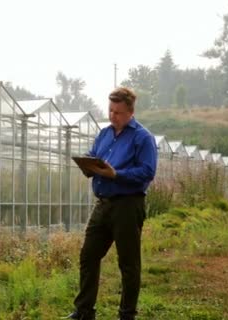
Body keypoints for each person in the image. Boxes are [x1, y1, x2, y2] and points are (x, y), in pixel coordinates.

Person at [65, 87, 158, 320]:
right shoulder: (105, 134)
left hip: (128, 205)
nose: (112, 115)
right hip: (103, 204)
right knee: (88, 255)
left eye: (118, 112)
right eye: (110, 110)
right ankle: (84, 311)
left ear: (130, 112)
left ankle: (127, 314)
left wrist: (116, 174)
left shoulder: (142, 138)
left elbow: (147, 171)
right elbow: (94, 154)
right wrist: (88, 163)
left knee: (128, 263)